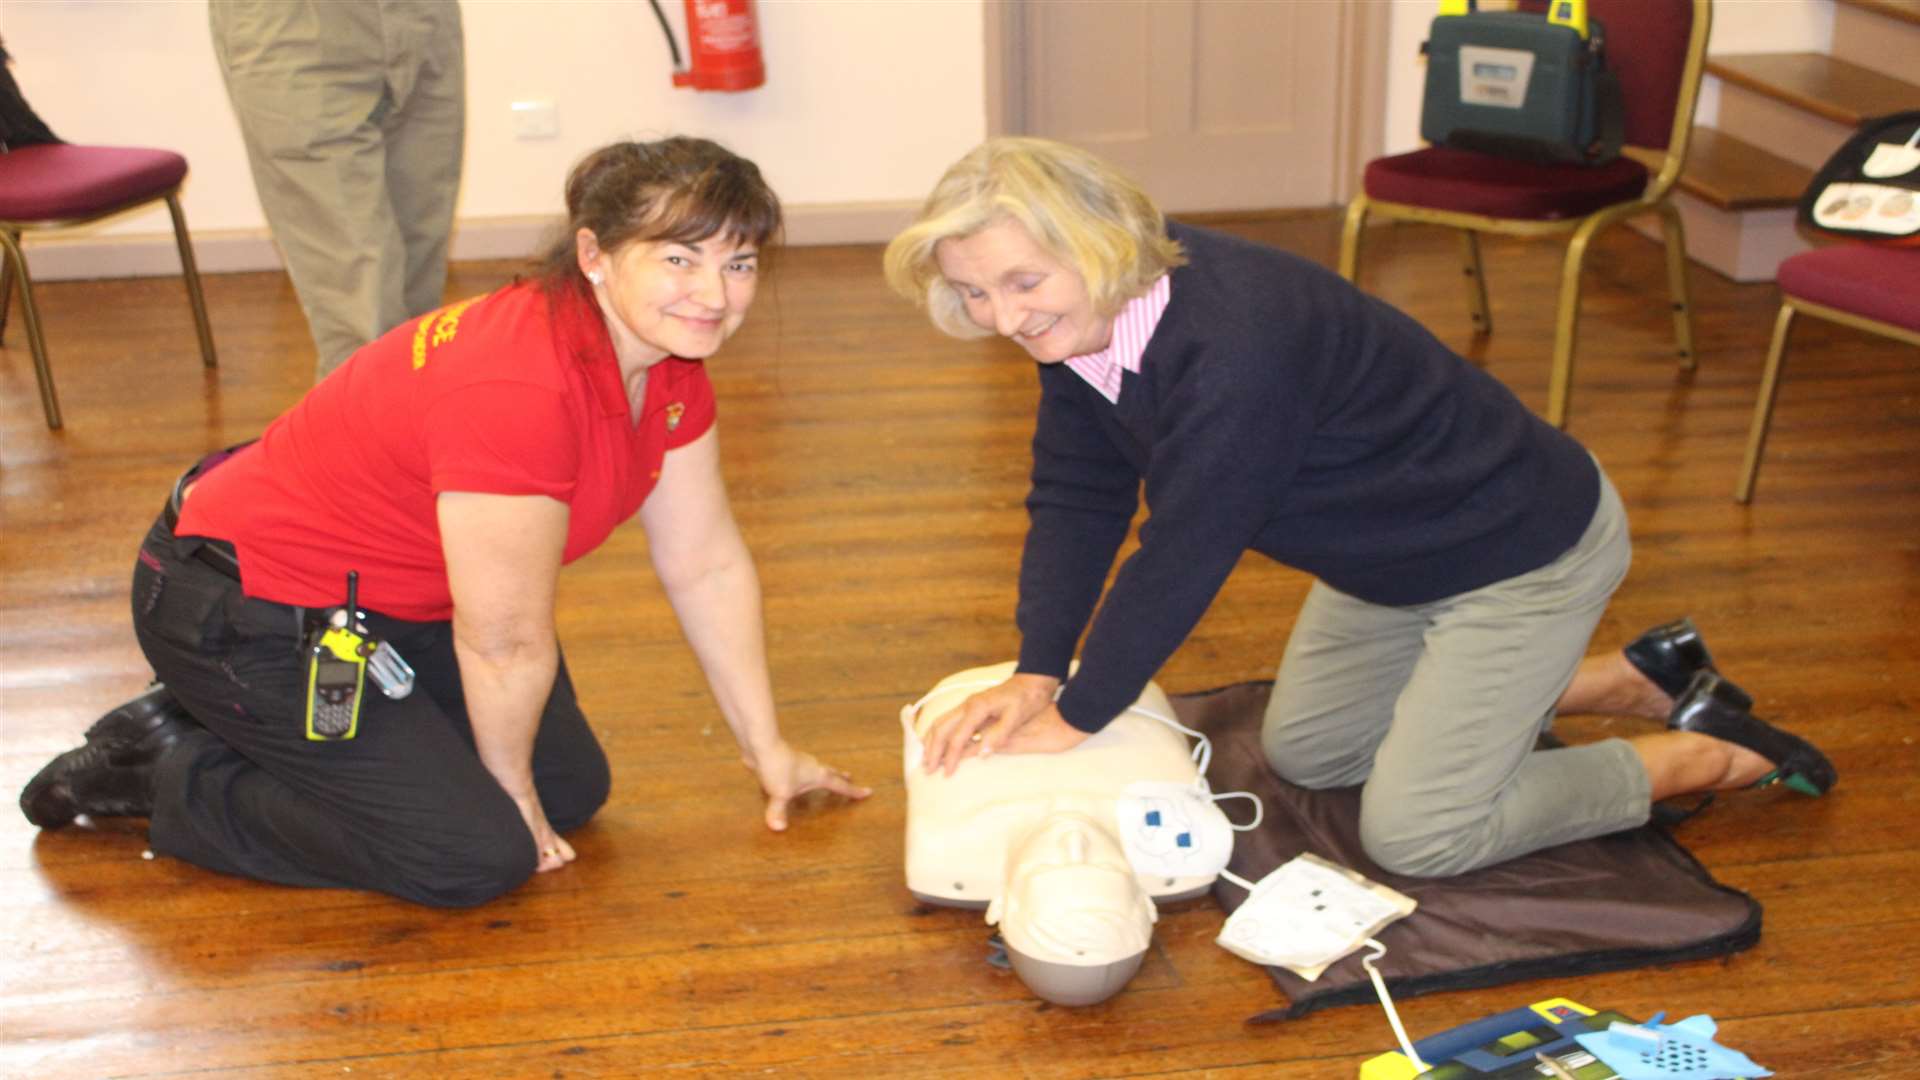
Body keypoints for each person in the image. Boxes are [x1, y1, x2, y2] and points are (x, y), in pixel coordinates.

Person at [882, 137, 1835, 879]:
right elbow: (1078, 494)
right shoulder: (1087, 326)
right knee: (1309, 751)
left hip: (1519, 549)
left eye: (1021, 284)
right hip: (1388, 563)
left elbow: (1185, 546)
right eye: (972, 294)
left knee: (1423, 831)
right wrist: (1038, 667)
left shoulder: (1234, 345)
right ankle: (1629, 675)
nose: (1003, 320)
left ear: (1098, 245)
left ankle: (1700, 754)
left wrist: (1084, 711)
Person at [20, 137, 870, 907]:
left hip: (391, 604)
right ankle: (165, 764)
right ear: (596, 256)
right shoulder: (521, 386)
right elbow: (502, 640)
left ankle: (255, 732)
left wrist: (768, 749)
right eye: (680, 258)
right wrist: (510, 806)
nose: (714, 295)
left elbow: (706, 563)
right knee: (472, 855)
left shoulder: (668, 359)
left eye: (741, 263)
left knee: (569, 786)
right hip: (245, 607)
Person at [209, 0, 467, 380]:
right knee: (361, 311)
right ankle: (365, 433)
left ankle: (412, 429)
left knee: (420, 297)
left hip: (421, 19)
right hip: (297, 26)